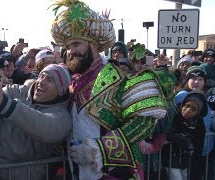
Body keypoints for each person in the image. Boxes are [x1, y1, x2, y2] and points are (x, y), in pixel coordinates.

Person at [50, 1, 174, 179]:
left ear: (94, 45)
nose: (70, 51)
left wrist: (101, 149)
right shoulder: (73, 82)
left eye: (76, 44)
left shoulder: (120, 76)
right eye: (68, 47)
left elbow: (143, 122)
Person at [0, 63, 72, 179]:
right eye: (41, 76)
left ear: (60, 89)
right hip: (0, 173)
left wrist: (6, 105)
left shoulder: (62, 114)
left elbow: (47, 129)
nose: (41, 81)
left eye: (50, 80)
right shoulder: (15, 91)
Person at [163, 91, 208, 180]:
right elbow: (166, 132)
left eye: (193, 109)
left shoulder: (198, 123)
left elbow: (198, 143)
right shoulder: (174, 114)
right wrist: (183, 139)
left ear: (198, 112)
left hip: (185, 159)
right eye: (186, 106)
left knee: (184, 177)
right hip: (171, 157)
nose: (188, 110)